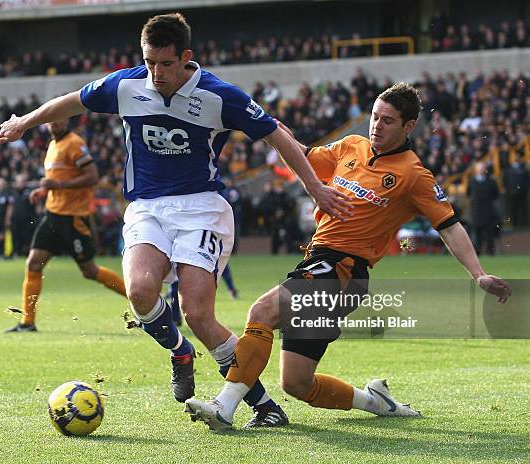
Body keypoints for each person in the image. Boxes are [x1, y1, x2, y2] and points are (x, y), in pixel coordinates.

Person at [0, 13, 351, 426]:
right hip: (146, 206)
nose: (157, 73)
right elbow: (72, 100)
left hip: (202, 208)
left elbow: (277, 135)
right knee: (141, 291)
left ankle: (264, 407)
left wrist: (315, 188)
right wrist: (24, 122)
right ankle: (180, 352)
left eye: (166, 64)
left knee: (199, 313)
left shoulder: (219, 96)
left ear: (186, 58)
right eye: (150, 63)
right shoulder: (126, 85)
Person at [184, 83, 511, 430]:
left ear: (408, 126)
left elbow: (449, 225)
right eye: (374, 117)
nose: (376, 126)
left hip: (343, 270)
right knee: (296, 383)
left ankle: (224, 406)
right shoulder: (350, 147)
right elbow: (302, 156)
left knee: (261, 311)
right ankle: (377, 401)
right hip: (320, 261)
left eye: (387, 121)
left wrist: (478, 274)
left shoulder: (413, 175)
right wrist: (269, 127)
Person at [5, 118, 127, 332]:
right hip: (53, 215)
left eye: (59, 120)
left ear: (66, 121)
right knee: (33, 264)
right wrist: (45, 191)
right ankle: (27, 322)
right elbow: (58, 179)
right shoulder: (53, 145)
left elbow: (92, 177)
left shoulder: (74, 143)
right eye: (51, 121)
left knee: (90, 271)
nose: (54, 124)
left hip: (74, 219)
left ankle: (142, 297)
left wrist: (58, 185)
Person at [467, 162, 500, 255]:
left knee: (489, 232)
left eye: (483, 168)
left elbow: (496, 194)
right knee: (476, 233)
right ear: (476, 170)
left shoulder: (491, 181)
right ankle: (477, 251)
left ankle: (490, 251)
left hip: (488, 210)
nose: (481, 170)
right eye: (479, 168)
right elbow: (468, 193)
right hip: (476, 210)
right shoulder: (472, 181)